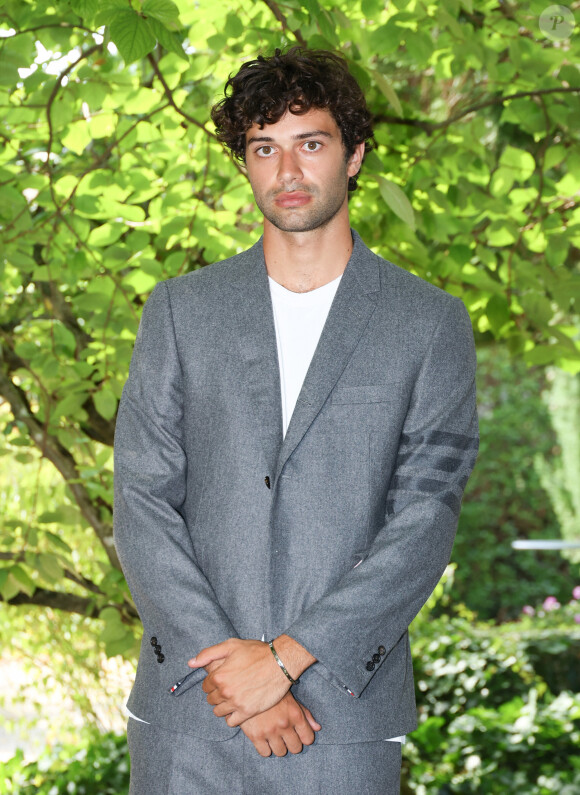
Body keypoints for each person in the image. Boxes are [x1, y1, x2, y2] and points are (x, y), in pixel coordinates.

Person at [114, 47, 478, 794]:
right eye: (263, 148)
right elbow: (142, 500)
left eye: (310, 143)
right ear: (244, 164)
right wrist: (230, 664)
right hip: (190, 712)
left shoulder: (430, 323)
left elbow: (423, 522)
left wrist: (284, 660)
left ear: (354, 156)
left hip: (341, 716)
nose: (287, 171)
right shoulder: (180, 311)